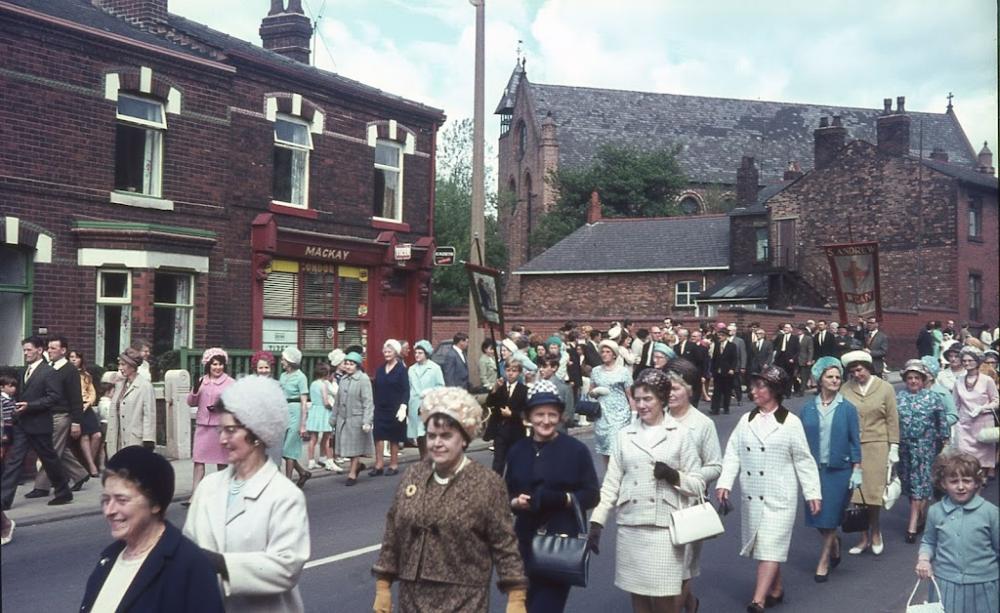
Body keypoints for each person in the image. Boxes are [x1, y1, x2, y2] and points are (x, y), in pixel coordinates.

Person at [372, 386, 528, 612]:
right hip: (412, 596)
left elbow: (505, 545)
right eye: (432, 435)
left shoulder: (486, 483)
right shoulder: (414, 475)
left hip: (464, 598)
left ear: (464, 439)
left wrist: (516, 596)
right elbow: (393, 532)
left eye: (446, 436)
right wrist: (383, 585)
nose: (437, 443)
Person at [184, 375, 310, 613]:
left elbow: (286, 568)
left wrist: (221, 564)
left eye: (230, 431)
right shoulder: (208, 487)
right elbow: (188, 548)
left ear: (256, 434)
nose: (221, 439)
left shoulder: (284, 496)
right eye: (221, 430)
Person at [588, 368, 704, 613]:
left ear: (662, 399)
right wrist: (597, 522)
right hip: (632, 525)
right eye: (637, 399)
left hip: (666, 528)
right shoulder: (624, 435)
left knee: (664, 598)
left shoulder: (681, 435)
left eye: (647, 399)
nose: (641, 405)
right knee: (638, 595)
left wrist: (674, 476)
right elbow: (611, 483)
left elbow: (698, 485)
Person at [716, 366, 821, 613]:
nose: (753, 391)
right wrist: (724, 482)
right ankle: (776, 588)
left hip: (780, 495)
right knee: (765, 545)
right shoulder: (746, 420)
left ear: (774, 390)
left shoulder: (790, 423)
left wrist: (812, 492)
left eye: (759, 386)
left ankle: (758, 600)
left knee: (771, 544)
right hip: (753, 494)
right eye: (753, 386)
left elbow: (803, 460)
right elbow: (733, 453)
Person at [79, 446, 224, 613]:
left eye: (122, 500)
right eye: (106, 500)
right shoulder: (108, 559)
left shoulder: (189, 566)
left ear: (155, 503)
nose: (109, 511)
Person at [505, 380, 600, 612]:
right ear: (528, 416)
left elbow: (591, 494)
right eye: (539, 414)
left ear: (560, 416)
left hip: (559, 545)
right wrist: (516, 503)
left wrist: (561, 499)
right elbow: (506, 494)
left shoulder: (576, 450)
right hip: (524, 543)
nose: (545, 421)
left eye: (552, 414)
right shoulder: (517, 450)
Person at [664, 359, 723, 612]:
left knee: (683, 570)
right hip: (656, 503)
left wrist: (685, 477)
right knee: (664, 571)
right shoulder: (654, 416)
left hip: (687, 505)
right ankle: (691, 604)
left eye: (675, 387)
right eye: (665, 387)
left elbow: (715, 465)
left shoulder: (702, 424)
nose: (669, 394)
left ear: (689, 390)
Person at [800, 356, 861, 582]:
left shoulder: (848, 408)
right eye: (830, 377)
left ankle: (824, 560)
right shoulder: (807, 409)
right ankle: (834, 542)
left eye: (838, 377)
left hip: (840, 470)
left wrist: (857, 468)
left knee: (831, 515)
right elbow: (799, 442)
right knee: (817, 516)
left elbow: (855, 440)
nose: (835, 380)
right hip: (813, 470)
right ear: (820, 379)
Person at [915, 452, 999, 613]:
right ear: (943, 484)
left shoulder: (991, 513)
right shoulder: (935, 511)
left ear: (976, 483)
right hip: (946, 584)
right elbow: (929, 541)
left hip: (984, 585)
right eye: (954, 481)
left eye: (967, 481)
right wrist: (924, 560)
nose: (961, 486)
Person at [838, 349, 898, 556]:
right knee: (857, 494)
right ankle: (862, 537)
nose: (857, 374)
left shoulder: (885, 388)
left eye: (860, 370)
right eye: (853, 371)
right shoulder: (845, 389)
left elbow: (892, 419)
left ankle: (876, 532)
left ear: (869, 368)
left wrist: (894, 447)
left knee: (873, 494)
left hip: (877, 445)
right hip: (853, 447)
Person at [896, 359, 951, 543]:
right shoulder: (899, 397)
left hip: (926, 446)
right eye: (910, 378)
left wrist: (944, 439)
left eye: (917, 378)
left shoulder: (933, 397)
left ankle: (912, 524)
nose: (913, 381)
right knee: (909, 482)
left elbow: (942, 421)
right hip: (905, 447)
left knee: (921, 482)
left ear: (923, 379)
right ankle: (920, 515)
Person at [28, 336, 89, 496]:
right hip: (48, 414)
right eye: (49, 348)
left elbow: (76, 398)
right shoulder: (49, 367)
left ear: (63, 350)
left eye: (53, 348)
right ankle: (80, 474)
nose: (50, 351)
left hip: (61, 415)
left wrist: (76, 422)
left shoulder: (70, 371)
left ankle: (41, 486)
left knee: (50, 450)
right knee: (58, 449)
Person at [187, 347, 235, 495]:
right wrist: (195, 390)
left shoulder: (230, 382)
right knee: (199, 461)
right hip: (202, 427)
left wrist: (221, 407)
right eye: (214, 364)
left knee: (222, 462)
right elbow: (191, 402)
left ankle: (223, 492)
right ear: (208, 365)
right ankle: (195, 495)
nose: (217, 367)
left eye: (220, 364)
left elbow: (235, 403)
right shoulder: (202, 381)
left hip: (219, 428)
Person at [953, 346, 999, 479]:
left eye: (970, 360)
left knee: (983, 455)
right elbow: (955, 404)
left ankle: (981, 477)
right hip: (965, 423)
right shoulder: (959, 381)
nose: (967, 363)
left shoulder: (987, 380)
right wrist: (954, 422)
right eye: (964, 360)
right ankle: (970, 479)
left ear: (977, 361)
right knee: (964, 455)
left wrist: (982, 408)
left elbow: (996, 401)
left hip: (983, 423)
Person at [590, 339, 634, 466]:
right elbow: (590, 392)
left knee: (616, 445)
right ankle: (609, 477)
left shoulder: (623, 371)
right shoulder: (596, 371)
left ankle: (619, 475)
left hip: (620, 413)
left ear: (614, 354)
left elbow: (630, 394)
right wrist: (595, 392)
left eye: (608, 351)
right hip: (602, 413)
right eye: (602, 351)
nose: (604, 354)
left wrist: (634, 414)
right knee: (605, 446)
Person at [106, 348, 157, 456]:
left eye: (123, 364)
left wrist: (148, 439)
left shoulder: (145, 386)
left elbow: (149, 415)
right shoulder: (120, 385)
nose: (120, 368)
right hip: (118, 438)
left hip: (134, 438)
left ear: (133, 366)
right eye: (119, 364)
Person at [335, 351, 374, 486]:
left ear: (357, 365)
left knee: (355, 447)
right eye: (346, 363)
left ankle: (352, 474)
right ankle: (357, 466)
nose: (348, 366)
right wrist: (333, 417)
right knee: (346, 447)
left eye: (351, 364)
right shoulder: (343, 380)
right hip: (343, 418)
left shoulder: (363, 379)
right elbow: (337, 400)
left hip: (356, 418)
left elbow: (368, 401)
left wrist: (367, 421)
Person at [371, 339, 408, 476]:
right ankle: (379, 464)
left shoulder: (401, 370)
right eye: (385, 351)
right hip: (380, 407)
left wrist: (403, 406)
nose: (386, 354)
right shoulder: (380, 370)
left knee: (394, 436)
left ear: (396, 353)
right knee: (378, 435)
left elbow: (406, 390)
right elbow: (375, 388)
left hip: (396, 408)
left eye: (389, 351)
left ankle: (393, 464)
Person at [485, 358, 529, 474]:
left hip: (516, 431)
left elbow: (526, 412)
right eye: (508, 370)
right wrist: (495, 388)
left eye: (514, 370)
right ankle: (496, 487)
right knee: (498, 462)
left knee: (514, 463)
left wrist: (512, 414)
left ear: (519, 372)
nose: (510, 373)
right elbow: (489, 403)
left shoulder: (524, 390)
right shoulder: (500, 387)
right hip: (501, 431)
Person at [278, 346, 311, 488]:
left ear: (290, 361)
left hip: (296, 411)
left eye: (283, 359)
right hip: (284, 411)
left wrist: (303, 424)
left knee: (289, 449)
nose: (281, 362)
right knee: (283, 449)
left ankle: (288, 481)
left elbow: (304, 401)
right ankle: (303, 472)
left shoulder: (301, 377)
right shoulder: (283, 376)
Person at [407, 340, 445, 460]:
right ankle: (423, 457)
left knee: (428, 432)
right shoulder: (411, 369)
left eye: (420, 352)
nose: (417, 355)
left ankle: (431, 458)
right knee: (419, 435)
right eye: (416, 352)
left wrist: (429, 392)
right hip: (415, 405)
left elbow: (441, 386)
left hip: (429, 404)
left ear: (426, 354)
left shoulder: (435, 368)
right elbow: (408, 387)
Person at [69, 350, 102, 479]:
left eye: (76, 357)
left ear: (81, 360)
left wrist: (87, 404)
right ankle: (91, 466)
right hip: (74, 409)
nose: (73, 360)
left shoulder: (86, 375)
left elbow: (92, 393)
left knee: (97, 435)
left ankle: (88, 464)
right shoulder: (66, 374)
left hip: (86, 407)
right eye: (71, 357)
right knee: (85, 437)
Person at [305, 362, 334, 471]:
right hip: (323, 411)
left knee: (313, 438)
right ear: (326, 374)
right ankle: (326, 459)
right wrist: (332, 408)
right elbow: (326, 402)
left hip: (314, 410)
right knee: (326, 437)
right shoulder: (323, 385)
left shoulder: (313, 384)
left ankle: (311, 461)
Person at [710, 326, 739, 414]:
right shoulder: (717, 345)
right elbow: (714, 358)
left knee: (727, 391)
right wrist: (712, 370)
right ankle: (715, 409)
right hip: (718, 371)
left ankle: (726, 408)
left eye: (722, 336)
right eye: (719, 335)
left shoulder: (732, 346)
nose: (720, 337)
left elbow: (734, 359)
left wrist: (732, 369)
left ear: (726, 336)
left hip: (727, 372)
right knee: (716, 391)